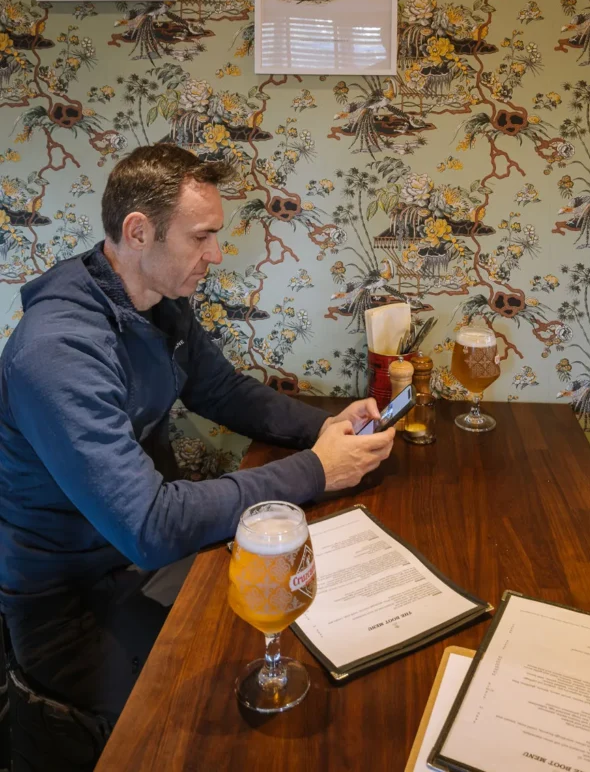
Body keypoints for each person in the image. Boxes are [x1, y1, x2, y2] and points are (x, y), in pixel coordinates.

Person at [0, 144, 395, 771]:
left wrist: (326, 426)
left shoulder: (157, 300)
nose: (215, 254)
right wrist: (318, 470)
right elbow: (152, 525)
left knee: (314, 641)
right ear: (138, 231)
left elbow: (219, 389)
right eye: (202, 237)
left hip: (138, 560)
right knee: (215, 721)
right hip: (67, 602)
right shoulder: (58, 351)